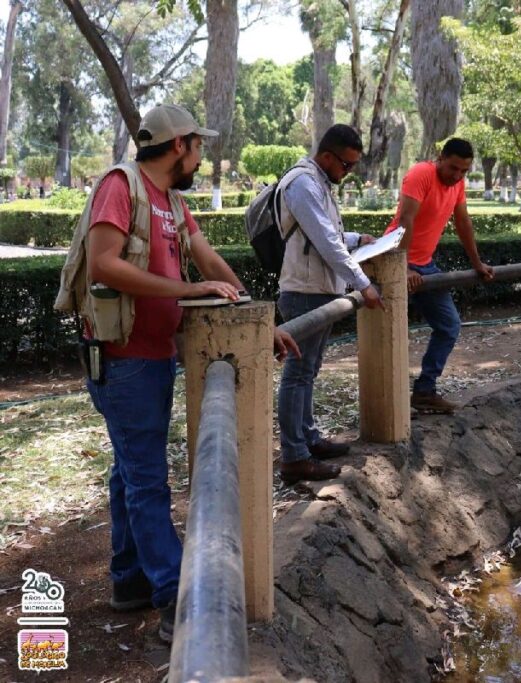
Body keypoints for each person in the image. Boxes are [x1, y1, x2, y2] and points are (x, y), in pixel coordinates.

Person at [53, 104, 300, 644]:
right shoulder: (121, 187)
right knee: (146, 479)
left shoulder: (170, 200)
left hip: (154, 355)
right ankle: (174, 598)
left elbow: (210, 262)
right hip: (123, 360)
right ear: (178, 145)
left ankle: (129, 581)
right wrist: (189, 291)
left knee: (130, 470)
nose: (202, 156)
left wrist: (259, 320)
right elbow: (104, 265)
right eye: (198, 146)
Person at [276, 124, 384, 485]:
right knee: (298, 374)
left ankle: (307, 439)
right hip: (304, 290)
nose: (348, 172)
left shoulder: (317, 181)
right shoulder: (303, 182)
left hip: (318, 289)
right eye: (347, 165)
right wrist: (363, 284)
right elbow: (325, 242)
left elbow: (328, 233)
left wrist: (357, 238)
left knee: (307, 371)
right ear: (327, 156)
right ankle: (294, 456)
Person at [385, 138, 495, 414]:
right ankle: (386, 401)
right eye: (453, 168)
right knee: (386, 334)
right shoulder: (421, 173)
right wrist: (403, 265)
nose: (457, 176)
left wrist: (478, 263)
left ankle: (424, 390)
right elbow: (405, 220)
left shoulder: (457, 185)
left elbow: (463, 222)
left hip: (424, 265)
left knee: (449, 326)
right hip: (390, 260)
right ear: (440, 157)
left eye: (464, 171)